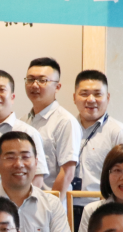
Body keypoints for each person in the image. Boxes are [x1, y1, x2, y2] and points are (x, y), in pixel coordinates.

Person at [71, 70, 123, 232]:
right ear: (74, 97)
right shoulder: (65, 128)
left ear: (107, 97)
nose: (91, 99)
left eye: (97, 94)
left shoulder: (119, 133)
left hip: (102, 210)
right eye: (84, 94)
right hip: (66, 209)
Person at [0, 68, 47, 190]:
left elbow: (36, 178)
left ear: (12, 97)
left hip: (10, 202)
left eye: (1, 90)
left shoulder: (28, 133)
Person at [23, 57, 81, 194]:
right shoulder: (23, 121)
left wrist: (52, 204)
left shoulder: (65, 121)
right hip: (23, 201)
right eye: (30, 79)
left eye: (42, 80)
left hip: (49, 202)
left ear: (57, 87)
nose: (35, 85)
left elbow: (67, 172)